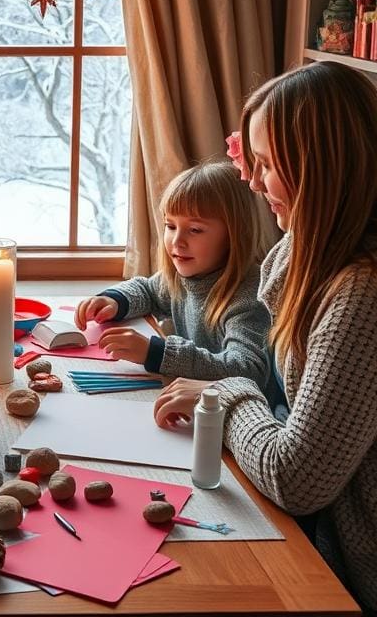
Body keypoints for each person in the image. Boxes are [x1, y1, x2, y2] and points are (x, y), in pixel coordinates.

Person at [154, 61, 377, 614]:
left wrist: (226, 394)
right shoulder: (301, 252)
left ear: (318, 169)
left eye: (267, 165)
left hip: (350, 573)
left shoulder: (361, 295)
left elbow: (297, 477)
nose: (251, 182)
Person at [74, 160, 270, 386]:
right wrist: (114, 301)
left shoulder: (249, 298)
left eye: (195, 230)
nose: (177, 241)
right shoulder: (185, 277)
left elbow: (247, 370)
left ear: (235, 234)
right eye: (170, 226)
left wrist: (156, 353)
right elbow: (147, 290)